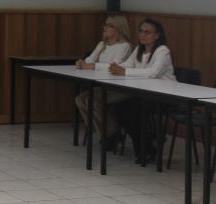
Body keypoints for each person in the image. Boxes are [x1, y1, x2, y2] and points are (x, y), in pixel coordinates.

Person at [110, 18, 175, 161]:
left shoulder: (162, 51)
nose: (143, 35)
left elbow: (153, 73)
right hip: (145, 95)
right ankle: (147, 144)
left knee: (130, 111)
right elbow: (127, 65)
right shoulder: (139, 49)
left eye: (147, 32)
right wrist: (117, 67)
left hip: (164, 97)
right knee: (120, 109)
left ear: (157, 35)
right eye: (141, 31)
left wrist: (125, 72)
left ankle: (146, 146)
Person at [74, 15, 133, 146]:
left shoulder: (125, 46)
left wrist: (92, 66)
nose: (104, 28)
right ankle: (106, 133)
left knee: (91, 101)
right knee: (79, 99)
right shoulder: (102, 44)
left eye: (109, 25)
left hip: (118, 87)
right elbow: (90, 60)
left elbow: (114, 66)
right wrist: (82, 63)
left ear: (118, 29)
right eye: (105, 25)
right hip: (103, 84)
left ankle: (111, 135)